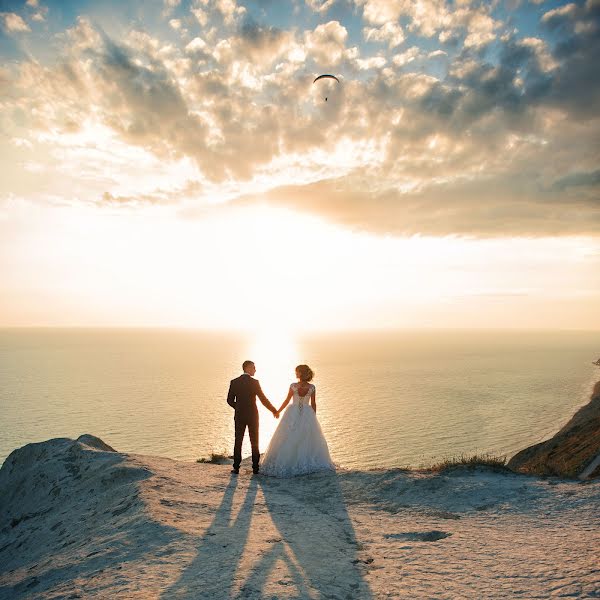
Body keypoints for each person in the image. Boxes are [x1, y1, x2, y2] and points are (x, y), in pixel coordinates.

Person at [260, 364, 335, 477]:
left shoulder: (294, 386)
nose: (295, 373)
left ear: (301, 373)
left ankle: (291, 462)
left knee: (290, 436)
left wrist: (278, 411)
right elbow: (313, 404)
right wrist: (313, 416)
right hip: (307, 413)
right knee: (302, 437)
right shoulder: (311, 387)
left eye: (297, 372)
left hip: (293, 412)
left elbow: (288, 400)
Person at [227, 360, 279, 475]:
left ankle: (236, 467)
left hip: (239, 415)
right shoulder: (255, 382)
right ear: (247, 368)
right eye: (253, 368)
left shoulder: (234, 382)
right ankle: (255, 468)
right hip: (252, 415)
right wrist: (273, 410)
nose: (255, 370)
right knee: (254, 441)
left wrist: (238, 407)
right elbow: (263, 399)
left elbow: (229, 401)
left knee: (238, 440)